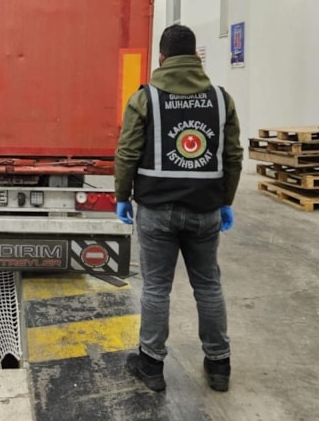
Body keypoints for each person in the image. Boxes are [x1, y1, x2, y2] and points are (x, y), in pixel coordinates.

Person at [114, 25, 242, 393]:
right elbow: (233, 155)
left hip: (156, 210)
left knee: (156, 288)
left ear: (161, 58)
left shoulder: (145, 99)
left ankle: (151, 365)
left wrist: (122, 195)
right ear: (196, 57)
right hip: (205, 210)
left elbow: (127, 152)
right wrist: (226, 201)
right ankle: (219, 365)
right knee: (208, 285)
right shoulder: (221, 99)